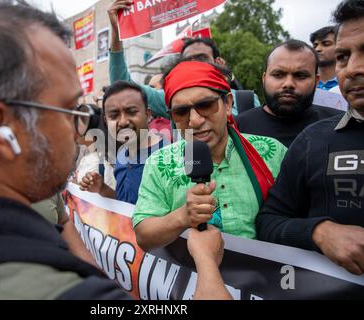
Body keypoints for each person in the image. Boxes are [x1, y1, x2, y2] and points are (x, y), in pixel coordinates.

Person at [0, 1, 231, 299]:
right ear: (1, 128)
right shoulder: (70, 294)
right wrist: (207, 269)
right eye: (69, 110)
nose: (83, 128)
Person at [132, 57, 287, 251]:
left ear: (228, 103)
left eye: (205, 105)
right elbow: (143, 236)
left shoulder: (271, 152)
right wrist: (182, 217)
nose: (195, 120)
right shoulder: (159, 163)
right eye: (181, 112)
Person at [256, 0, 364, 276]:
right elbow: (269, 222)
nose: (352, 69)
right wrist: (320, 231)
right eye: (342, 57)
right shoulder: (314, 139)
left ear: (315, 80)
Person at [107, 0, 261, 118]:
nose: (196, 120)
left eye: (202, 58)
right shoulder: (170, 99)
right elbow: (122, 85)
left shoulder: (246, 100)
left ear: (218, 62)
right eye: (183, 112)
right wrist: (116, 30)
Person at [236, 40, 343, 147]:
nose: (288, 84)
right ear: (264, 79)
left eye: (300, 76)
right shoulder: (235, 129)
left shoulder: (340, 126)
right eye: (278, 74)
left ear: (316, 82)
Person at [80, 81, 168, 205]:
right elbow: (125, 205)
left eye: (131, 112)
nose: (122, 122)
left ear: (148, 115)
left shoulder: (168, 156)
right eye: (114, 115)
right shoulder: (122, 153)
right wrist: (102, 188)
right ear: (106, 120)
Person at [310, 26, 340, 92]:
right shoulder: (306, 84)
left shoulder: (349, 83)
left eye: (326, 44)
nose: (317, 49)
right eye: (315, 45)